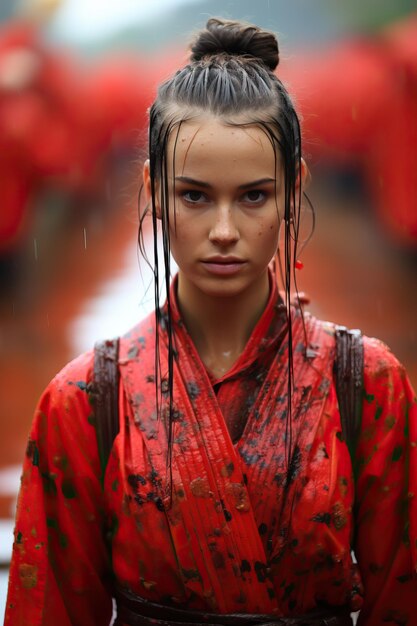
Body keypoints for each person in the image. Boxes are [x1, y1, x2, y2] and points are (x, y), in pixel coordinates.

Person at [4, 18, 417, 626]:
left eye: (254, 196)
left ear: (292, 190)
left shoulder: (369, 387)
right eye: (194, 196)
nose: (224, 231)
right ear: (154, 191)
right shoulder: (84, 401)